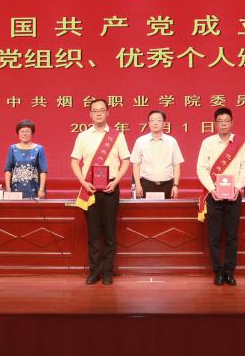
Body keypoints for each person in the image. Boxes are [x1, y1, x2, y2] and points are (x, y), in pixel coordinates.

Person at [70, 98, 130, 285]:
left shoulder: (117, 136)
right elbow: (74, 161)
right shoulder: (83, 136)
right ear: (90, 114)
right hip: (90, 188)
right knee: (94, 233)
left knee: (109, 233)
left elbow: (126, 160)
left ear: (107, 113)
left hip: (111, 187)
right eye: (95, 110)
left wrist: (116, 181)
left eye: (102, 110)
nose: (98, 113)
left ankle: (107, 272)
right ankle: (94, 271)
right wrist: (83, 182)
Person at [197, 107, 245, 286]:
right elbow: (201, 168)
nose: (223, 124)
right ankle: (218, 271)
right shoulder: (207, 143)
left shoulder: (240, 143)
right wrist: (212, 189)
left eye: (226, 121)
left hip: (234, 195)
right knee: (214, 236)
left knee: (232, 236)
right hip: (214, 195)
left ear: (232, 122)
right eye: (220, 121)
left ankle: (229, 271)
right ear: (215, 124)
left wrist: (238, 187)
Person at [130, 110, 184, 199]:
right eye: (152, 120)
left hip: (167, 185)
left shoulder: (172, 141)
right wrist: (137, 185)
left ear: (164, 123)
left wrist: (175, 185)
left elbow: (176, 165)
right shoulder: (140, 141)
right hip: (146, 184)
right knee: (146, 208)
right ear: (148, 123)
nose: (155, 123)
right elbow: (136, 164)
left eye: (159, 120)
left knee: (166, 208)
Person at [4, 119, 48, 199]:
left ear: (32, 133)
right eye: (22, 131)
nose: (25, 134)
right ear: (18, 133)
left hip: (34, 189)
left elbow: (43, 171)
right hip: (15, 189)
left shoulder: (39, 149)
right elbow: (8, 170)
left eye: (27, 131)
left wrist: (41, 190)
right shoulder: (12, 148)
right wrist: (8, 188)